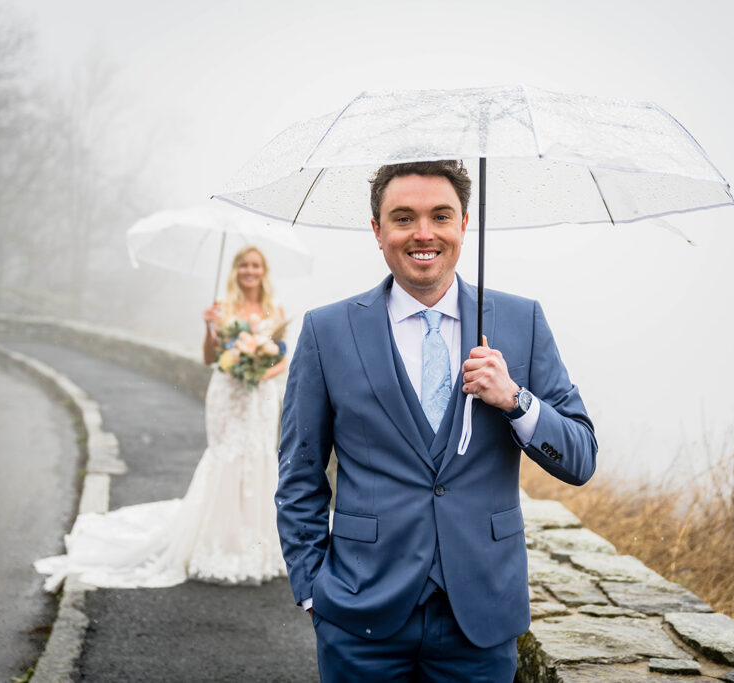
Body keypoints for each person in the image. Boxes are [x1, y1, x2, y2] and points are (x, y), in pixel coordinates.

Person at [275, 161, 597, 682]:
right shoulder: (326, 331)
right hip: (359, 617)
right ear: (378, 231)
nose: (424, 233)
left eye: (440, 216)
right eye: (404, 218)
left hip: (482, 617)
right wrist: (312, 590)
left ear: (465, 224)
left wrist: (515, 399)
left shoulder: (522, 321)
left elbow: (581, 457)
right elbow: (299, 475)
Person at [35, 245, 287, 591]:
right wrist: (208, 327)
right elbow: (208, 357)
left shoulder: (276, 310)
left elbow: (284, 359)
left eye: (256, 265)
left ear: (264, 270)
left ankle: (257, 546)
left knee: (258, 459)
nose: (250, 271)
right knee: (225, 458)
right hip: (227, 395)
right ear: (235, 270)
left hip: (260, 398)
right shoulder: (222, 309)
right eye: (244, 265)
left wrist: (261, 375)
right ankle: (218, 544)